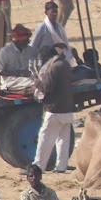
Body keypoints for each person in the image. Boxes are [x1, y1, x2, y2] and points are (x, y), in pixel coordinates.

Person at [33, 42, 75, 173]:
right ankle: (61, 166)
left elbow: (47, 87)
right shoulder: (65, 64)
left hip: (54, 109)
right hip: (67, 108)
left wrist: (35, 80)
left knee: (45, 138)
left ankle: (39, 166)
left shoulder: (53, 67)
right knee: (63, 138)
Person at [29, 1, 78, 68]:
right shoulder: (41, 28)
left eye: (56, 12)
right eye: (52, 12)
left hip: (59, 60)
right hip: (45, 62)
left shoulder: (59, 27)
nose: (55, 14)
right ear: (46, 13)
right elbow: (32, 47)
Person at [0, 24, 36, 93]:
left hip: (27, 77)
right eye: (25, 40)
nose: (28, 42)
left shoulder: (31, 50)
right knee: (33, 82)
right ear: (17, 41)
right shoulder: (5, 51)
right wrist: (18, 73)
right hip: (10, 79)